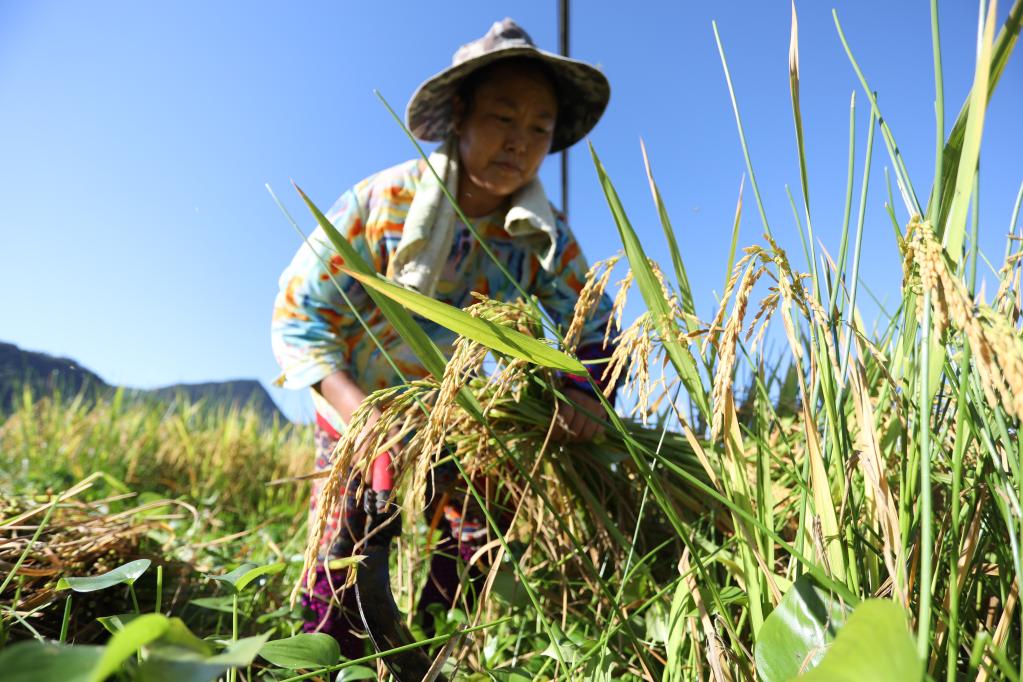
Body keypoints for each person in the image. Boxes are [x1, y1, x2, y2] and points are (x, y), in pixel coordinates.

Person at [271, 18, 617, 658]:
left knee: (482, 522)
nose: (519, 143)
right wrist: (362, 420)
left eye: (539, 128)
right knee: (353, 521)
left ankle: (435, 639)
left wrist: (584, 393)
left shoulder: (542, 237)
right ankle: (329, 653)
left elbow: (594, 329)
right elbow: (299, 315)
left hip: (453, 408)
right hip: (359, 398)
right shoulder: (384, 202)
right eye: (502, 119)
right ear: (460, 114)